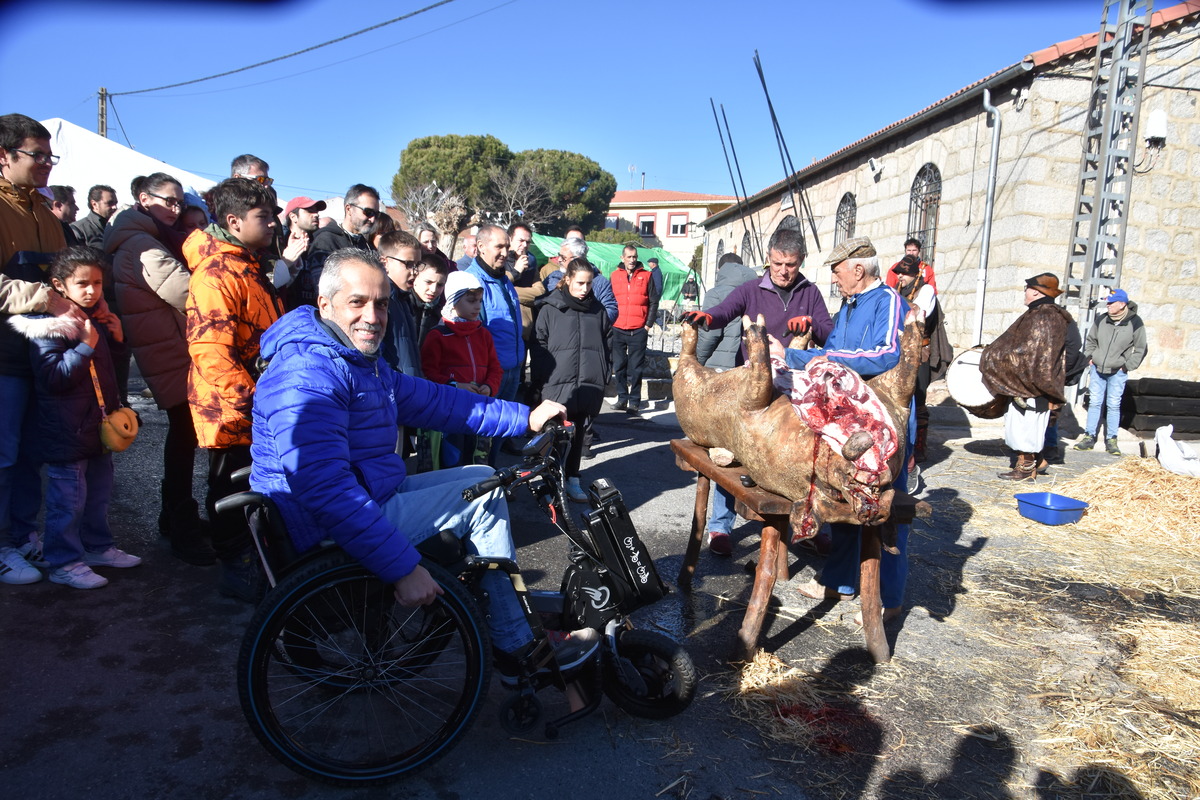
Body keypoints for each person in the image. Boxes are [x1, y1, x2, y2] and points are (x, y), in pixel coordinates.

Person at [249, 248, 597, 681]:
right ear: (325, 304)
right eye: (357, 302)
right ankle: (514, 645)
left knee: (483, 477)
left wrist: (522, 417)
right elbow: (324, 489)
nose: (372, 316)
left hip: (364, 495)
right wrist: (402, 567)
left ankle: (498, 613)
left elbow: (436, 401)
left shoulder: (354, 361)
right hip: (320, 526)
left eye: (380, 303)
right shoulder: (308, 372)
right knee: (481, 501)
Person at [774, 237, 912, 624]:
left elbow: (886, 354)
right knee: (844, 490)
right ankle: (841, 580)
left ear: (857, 269)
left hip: (885, 418)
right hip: (851, 415)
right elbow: (833, 350)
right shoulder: (849, 306)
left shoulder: (889, 302)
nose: (834, 280)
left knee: (884, 504)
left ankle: (888, 596)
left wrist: (806, 357)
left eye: (837, 272)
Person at [8, 246, 141, 588]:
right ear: (59, 285)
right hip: (66, 429)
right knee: (67, 500)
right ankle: (63, 561)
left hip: (98, 426)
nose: (92, 290)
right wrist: (84, 346)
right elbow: (53, 378)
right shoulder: (48, 324)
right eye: (82, 283)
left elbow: (107, 369)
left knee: (98, 492)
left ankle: (98, 547)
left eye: (97, 283)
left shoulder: (93, 317)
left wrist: (116, 338)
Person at [103, 172, 215, 565]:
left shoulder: (144, 238)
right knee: (185, 439)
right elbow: (190, 293)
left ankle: (174, 517)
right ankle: (182, 528)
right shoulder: (143, 246)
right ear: (142, 199)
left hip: (167, 348)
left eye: (178, 202)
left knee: (183, 439)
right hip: (172, 353)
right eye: (167, 200)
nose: (174, 208)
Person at [184, 177, 284, 599]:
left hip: (256, 402)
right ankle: (235, 567)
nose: (274, 224)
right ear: (233, 221)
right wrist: (253, 401)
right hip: (230, 408)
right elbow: (210, 351)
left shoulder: (248, 263)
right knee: (230, 488)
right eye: (264, 217)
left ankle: (256, 558)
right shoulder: (215, 274)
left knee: (253, 485)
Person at [1, 113, 78, 586]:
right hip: (3, 358)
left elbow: (63, 275)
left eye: (51, 156)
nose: (47, 164)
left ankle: (23, 534)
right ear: (3, 156)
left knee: (33, 454)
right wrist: (44, 297)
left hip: (41, 356)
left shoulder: (46, 214)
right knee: (4, 457)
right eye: (37, 155)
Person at [982, 273, 1083, 481]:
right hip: (1038, 383)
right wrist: (1057, 376)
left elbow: (1024, 352)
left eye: (1026, 288)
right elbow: (1074, 346)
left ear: (1036, 291)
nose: (1025, 292)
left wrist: (995, 357)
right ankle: (1038, 461)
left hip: (1031, 385)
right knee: (1028, 424)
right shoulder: (1061, 316)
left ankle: (1026, 469)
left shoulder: (1039, 316)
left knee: (1026, 425)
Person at [683, 227, 833, 363]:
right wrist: (709, 317)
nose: (783, 271)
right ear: (768, 257)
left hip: (793, 378)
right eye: (777, 263)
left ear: (802, 259)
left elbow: (830, 337)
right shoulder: (750, 289)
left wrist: (811, 323)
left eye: (790, 265)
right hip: (750, 376)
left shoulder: (810, 292)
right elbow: (726, 309)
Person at [532, 257, 612, 502]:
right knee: (554, 435)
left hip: (588, 383)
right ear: (566, 280)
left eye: (589, 284)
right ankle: (550, 483)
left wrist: (603, 376)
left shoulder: (598, 311)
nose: (584, 289)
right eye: (579, 283)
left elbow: (607, 346)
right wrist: (542, 380)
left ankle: (573, 478)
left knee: (578, 435)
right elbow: (538, 346)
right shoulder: (549, 308)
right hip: (557, 384)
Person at [693, 253, 757, 555]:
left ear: (720, 269)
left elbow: (709, 332)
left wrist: (696, 365)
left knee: (722, 455)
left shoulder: (718, 292)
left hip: (720, 376)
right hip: (748, 377)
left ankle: (719, 527)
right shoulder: (758, 287)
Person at [421, 271, 502, 468]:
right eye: (470, 300)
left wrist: (490, 387)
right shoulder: (438, 335)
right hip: (450, 412)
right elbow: (428, 373)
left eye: (480, 301)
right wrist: (455, 385)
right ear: (453, 301)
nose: (477, 306)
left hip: (481, 409)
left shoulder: (483, 334)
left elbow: (495, 368)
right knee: (451, 460)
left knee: (476, 459)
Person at [466, 224, 523, 462]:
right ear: (480, 247)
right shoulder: (472, 282)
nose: (505, 252)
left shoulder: (503, 279)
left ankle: (492, 469)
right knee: (484, 433)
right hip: (492, 373)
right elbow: (475, 334)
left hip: (513, 367)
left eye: (507, 246)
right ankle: (482, 480)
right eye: (499, 246)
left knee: (501, 429)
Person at [1075, 288, 1147, 456]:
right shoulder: (1101, 319)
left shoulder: (1135, 322)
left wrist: (1127, 366)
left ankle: (1112, 440)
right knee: (1094, 402)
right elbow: (1091, 340)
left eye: (1111, 303)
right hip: (1097, 369)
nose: (1107, 305)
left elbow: (1141, 349)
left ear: (1122, 304)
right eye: (1107, 302)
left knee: (1113, 405)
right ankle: (1089, 437)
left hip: (1118, 371)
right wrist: (1089, 358)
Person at [891, 253, 940, 463]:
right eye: (899, 273)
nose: (900, 276)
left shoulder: (926, 290)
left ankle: (920, 446)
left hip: (920, 352)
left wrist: (892, 298)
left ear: (914, 275)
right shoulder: (900, 290)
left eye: (904, 273)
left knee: (918, 398)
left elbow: (917, 311)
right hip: (901, 351)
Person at [609, 245, 659, 414]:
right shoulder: (614, 276)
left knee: (636, 368)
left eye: (634, 257)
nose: (632, 260)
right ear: (622, 258)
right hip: (618, 327)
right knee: (620, 366)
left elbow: (653, 301)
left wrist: (648, 325)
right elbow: (609, 300)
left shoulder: (646, 275)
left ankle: (634, 401)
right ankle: (622, 398)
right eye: (629, 257)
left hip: (639, 329)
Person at [378, 230, 425, 379]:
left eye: (418, 265)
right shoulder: (381, 301)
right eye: (408, 264)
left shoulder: (403, 299)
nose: (415, 271)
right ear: (385, 263)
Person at [544, 237, 617, 322]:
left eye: (563, 257)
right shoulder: (553, 278)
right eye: (559, 255)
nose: (559, 260)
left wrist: (590, 325)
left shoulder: (600, 282)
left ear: (576, 259)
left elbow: (611, 310)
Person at [276, 196, 326, 310]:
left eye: (317, 211)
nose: (316, 214)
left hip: (315, 315)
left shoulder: (321, 244)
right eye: (310, 211)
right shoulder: (279, 245)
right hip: (288, 315)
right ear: (293, 217)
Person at [310, 184, 378, 267]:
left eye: (376, 214)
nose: (373, 219)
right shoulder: (326, 241)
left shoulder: (367, 245)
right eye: (368, 212)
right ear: (349, 209)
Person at [70, 184, 118, 249]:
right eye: (110, 203)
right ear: (94, 204)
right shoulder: (79, 229)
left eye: (115, 203)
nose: (114, 207)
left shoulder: (118, 225)